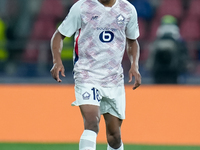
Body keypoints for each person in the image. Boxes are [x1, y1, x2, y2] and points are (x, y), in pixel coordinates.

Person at [50, 0, 141, 150]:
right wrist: (57, 61)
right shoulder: (82, 7)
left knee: (114, 137)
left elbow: (132, 41)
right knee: (92, 123)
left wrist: (134, 65)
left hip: (113, 78)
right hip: (86, 74)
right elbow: (59, 35)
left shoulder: (128, 9)